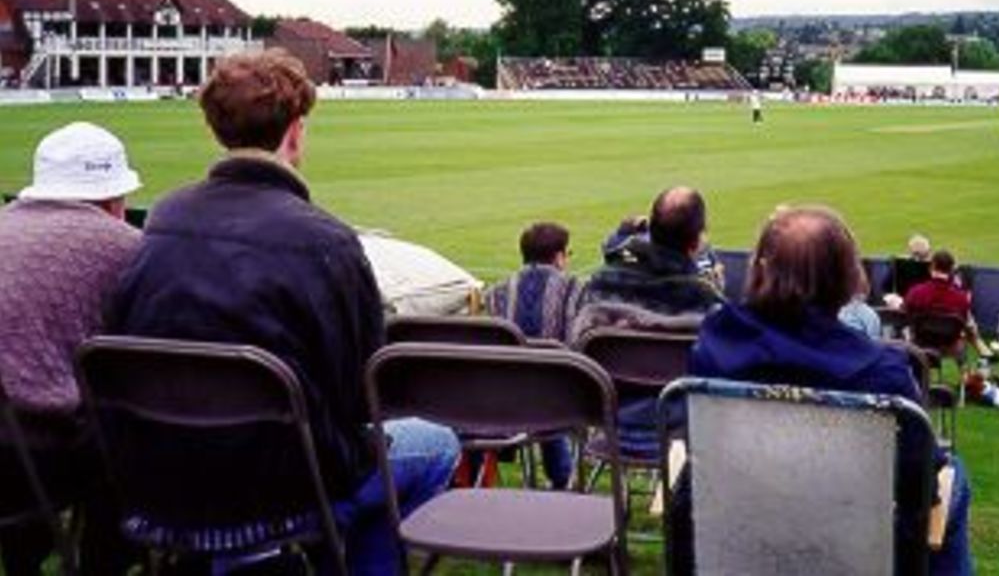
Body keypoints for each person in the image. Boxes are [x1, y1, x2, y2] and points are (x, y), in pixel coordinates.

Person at [107, 50, 459, 574]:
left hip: (157, 479)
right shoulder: (325, 240)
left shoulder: (161, 218)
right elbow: (363, 394)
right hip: (279, 490)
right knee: (436, 443)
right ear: (296, 132)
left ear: (216, 129)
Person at [678, 206, 972, 574]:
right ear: (845, 279)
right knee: (954, 474)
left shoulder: (713, 342)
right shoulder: (883, 375)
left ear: (759, 267)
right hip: (847, 546)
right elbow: (921, 487)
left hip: (743, 531)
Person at [0, 123, 143, 575]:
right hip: (34, 452)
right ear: (114, 199)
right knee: (135, 436)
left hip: (15, 440)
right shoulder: (125, 245)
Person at [571, 186, 723, 458]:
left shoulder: (600, 283)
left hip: (610, 414)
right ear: (695, 241)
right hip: (679, 421)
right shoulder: (704, 299)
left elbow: (577, 347)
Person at [485, 221, 580, 488]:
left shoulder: (495, 292)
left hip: (507, 397)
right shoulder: (574, 288)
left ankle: (561, 475)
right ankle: (563, 477)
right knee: (553, 383)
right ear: (559, 257)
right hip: (557, 398)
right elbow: (579, 343)